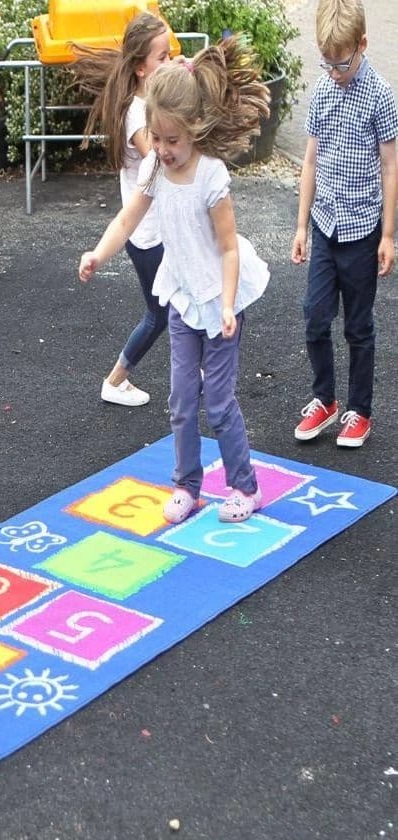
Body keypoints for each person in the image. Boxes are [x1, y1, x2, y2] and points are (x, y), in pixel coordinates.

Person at [79, 38, 271, 524]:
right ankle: (188, 485)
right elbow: (126, 220)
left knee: (221, 403)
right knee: (182, 400)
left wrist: (228, 305)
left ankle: (245, 488)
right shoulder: (154, 169)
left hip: (219, 298)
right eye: (156, 138)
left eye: (171, 140)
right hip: (184, 296)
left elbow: (229, 247)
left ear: (194, 130)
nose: (162, 149)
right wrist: (97, 255)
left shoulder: (211, 177)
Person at [290, 0, 397, 448]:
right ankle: (326, 400)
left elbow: (391, 167)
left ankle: (359, 410)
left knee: (358, 326)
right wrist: (300, 227)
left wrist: (389, 234)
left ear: (362, 46)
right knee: (314, 317)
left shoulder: (381, 95)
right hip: (324, 225)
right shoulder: (322, 90)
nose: (334, 70)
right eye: (327, 61)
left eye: (342, 62)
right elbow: (310, 160)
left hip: (362, 231)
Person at [73, 12, 172, 407]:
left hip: (157, 229)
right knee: (160, 313)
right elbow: (162, 154)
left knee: (180, 302)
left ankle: (200, 367)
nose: (168, 62)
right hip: (147, 235)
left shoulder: (150, 100)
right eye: (162, 58)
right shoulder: (136, 113)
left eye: (170, 54)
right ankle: (115, 380)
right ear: (140, 67)